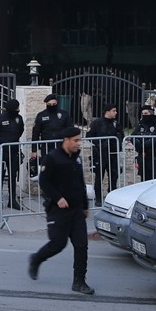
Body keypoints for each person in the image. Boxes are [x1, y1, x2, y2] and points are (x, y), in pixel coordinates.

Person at [28, 126, 94, 295]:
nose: (79, 143)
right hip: (58, 210)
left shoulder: (76, 159)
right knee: (58, 244)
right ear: (66, 141)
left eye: (80, 140)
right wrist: (58, 198)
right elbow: (44, 183)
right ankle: (37, 259)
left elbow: (81, 183)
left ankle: (79, 281)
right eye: (76, 140)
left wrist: (85, 206)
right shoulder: (52, 158)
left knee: (82, 245)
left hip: (76, 210)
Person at [87, 102, 125, 204]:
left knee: (114, 176)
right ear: (107, 111)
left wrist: (119, 144)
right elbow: (89, 136)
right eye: (114, 111)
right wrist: (98, 143)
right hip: (100, 154)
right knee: (99, 177)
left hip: (113, 153)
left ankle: (111, 196)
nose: (116, 113)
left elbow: (122, 136)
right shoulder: (97, 123)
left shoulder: (116, 124)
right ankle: (98, 198)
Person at [0, 98, 26, 209]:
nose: (18, 110)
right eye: (16, 109)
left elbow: (20, 131)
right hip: (1, 151)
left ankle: (12, 200)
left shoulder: (19, 118)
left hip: (14, 150)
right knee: (0, 175)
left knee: (13, 175)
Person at [32, 93, 72, 170]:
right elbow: (35, 133)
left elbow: (70, 129)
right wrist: (34, 150)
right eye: (49, 104)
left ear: (57, 103)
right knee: (48, 168)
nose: (52, 106)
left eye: (54, 104)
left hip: (61, 146)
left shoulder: (64, 114)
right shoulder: (41, 115)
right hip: (46, 146)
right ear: (46, 104)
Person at [133, 104, 156, 181]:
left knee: (155, 180)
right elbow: (133, 137)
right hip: (143, 156)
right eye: (142, 114)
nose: (144, 116)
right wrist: (137, 144)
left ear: (151, 113)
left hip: (155, 157)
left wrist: (144, 145)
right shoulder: (140, 125)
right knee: (144, 180)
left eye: (146, 113)